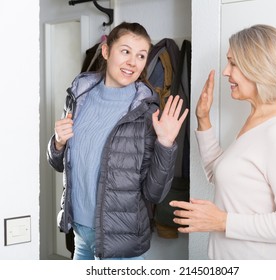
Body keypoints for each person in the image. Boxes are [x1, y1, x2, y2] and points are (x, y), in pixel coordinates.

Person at [47, 21, 188, 260]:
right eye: (125, 52)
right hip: (81, 235)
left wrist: (165, 144)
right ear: (106, 51)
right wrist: (58, 144)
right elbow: (60, 164)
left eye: (141, 55)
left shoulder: (146, 112)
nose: (133, 62)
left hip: (120, 243)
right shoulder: (78, 96)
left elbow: (154, 194)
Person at [170, 24, 276, 259]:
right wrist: (203, 119)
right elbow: (221, 174)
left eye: (233, 63)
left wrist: (222, 221)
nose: (226, 71)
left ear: (259, 67)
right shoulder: (257, 120)